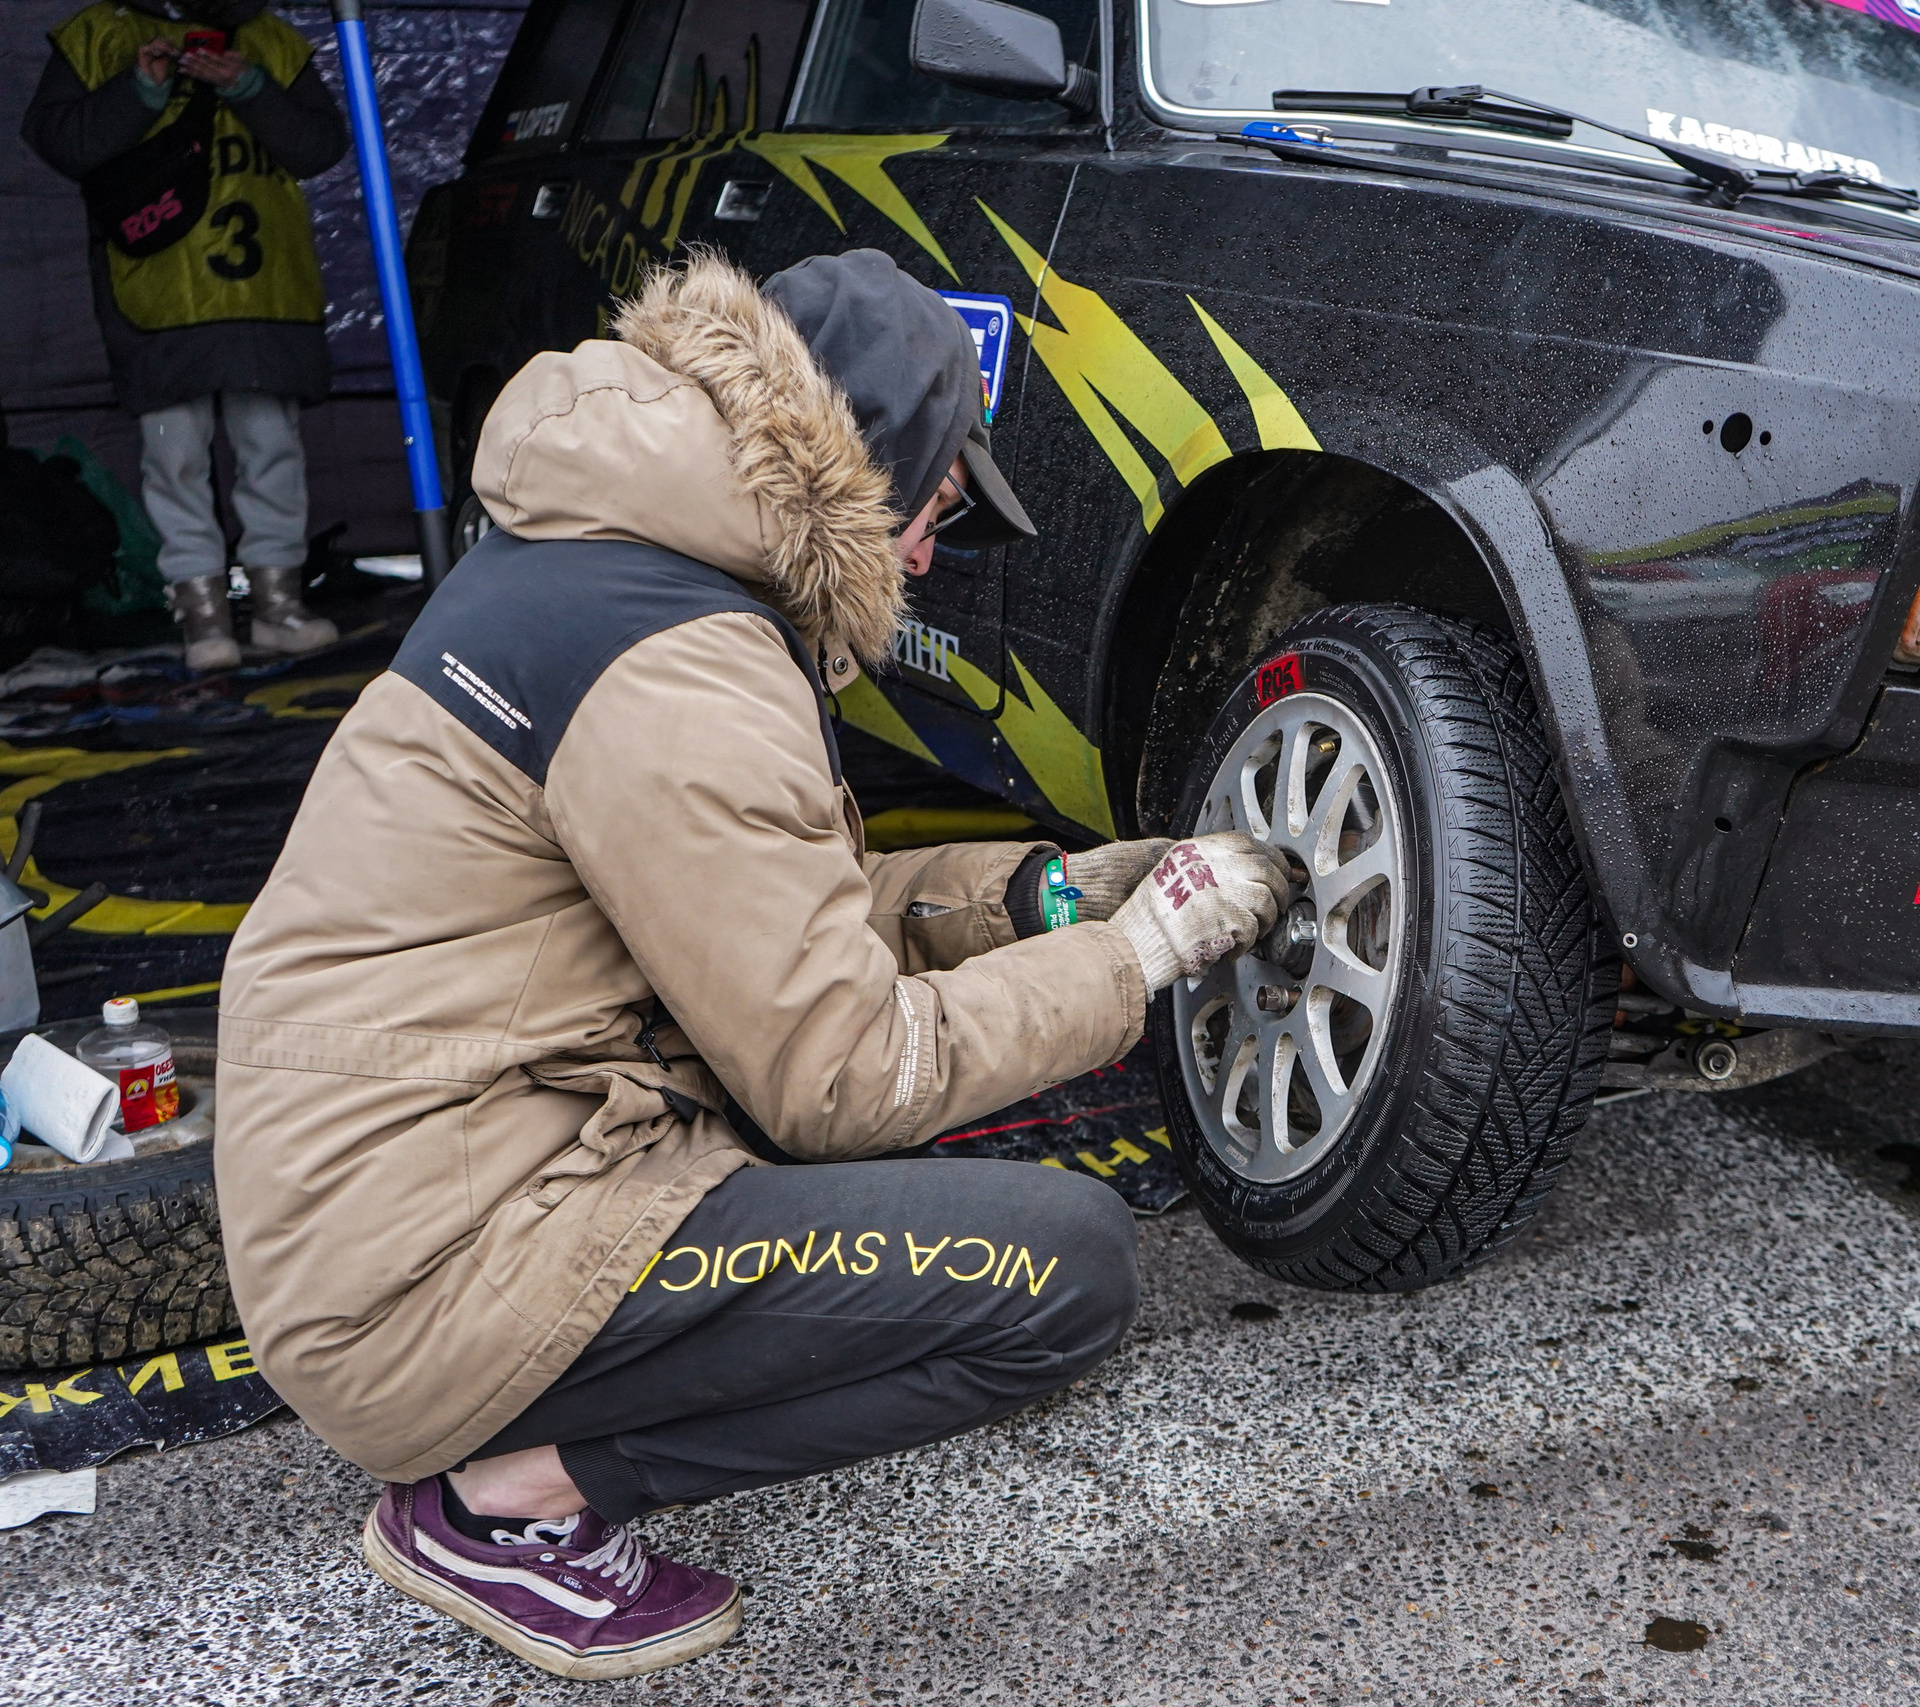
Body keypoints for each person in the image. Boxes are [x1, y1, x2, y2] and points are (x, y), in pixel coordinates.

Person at [214, 247, 1291, 1680]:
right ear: (862, 472)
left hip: (405, 1189)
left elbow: (772, 917)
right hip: (429, 1269)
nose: (926, 558)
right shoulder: (681, 661)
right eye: (936, 510)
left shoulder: (617, 562)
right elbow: (841, 1077)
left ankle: (513, 1456)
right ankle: (512, 1503)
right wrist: (1131, 959)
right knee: (1064, 1271)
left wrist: (1034, 897)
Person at [22, 0, 345, 673]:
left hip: (261, 293)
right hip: (158, 295)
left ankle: (279, 607)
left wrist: (247, 84)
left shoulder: (273, 41)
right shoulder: (98, 34)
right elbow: (60, 142)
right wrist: (139, 89)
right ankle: (203, 618)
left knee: (271, 447)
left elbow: (321, 147)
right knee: (174, 458)